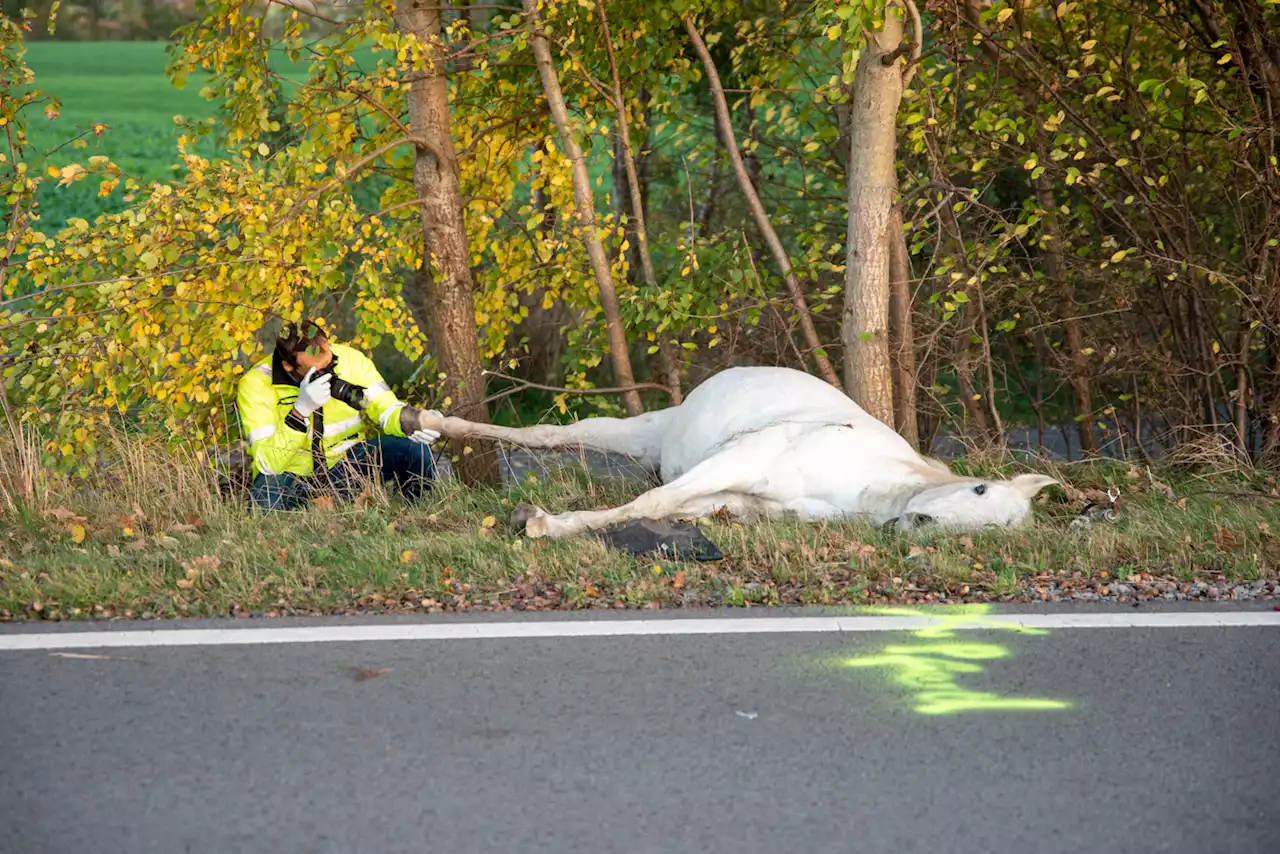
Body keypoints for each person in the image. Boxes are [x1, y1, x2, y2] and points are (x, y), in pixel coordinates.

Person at [235, 319, 443, 511]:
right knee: (263, 499)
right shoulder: (255, 384)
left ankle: (419, 515)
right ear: (289, 366)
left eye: (329, 363)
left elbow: (386, 407)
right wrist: (299, 412)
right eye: (317, 371)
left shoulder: (349, 359)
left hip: (349, 465)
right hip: (292, 475)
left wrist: (413, 420)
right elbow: (267, 464)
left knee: (414, 448)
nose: (328, 373)